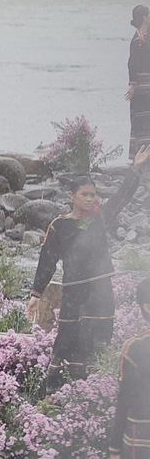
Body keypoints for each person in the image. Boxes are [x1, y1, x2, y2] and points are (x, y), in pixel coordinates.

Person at [29, 147, 149, 388]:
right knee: (68, 338)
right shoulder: (59, 225)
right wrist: (36, 294)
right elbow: (47, 261)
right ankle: (58, 390)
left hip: (101, 292)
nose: (90, 198)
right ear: (72, 195)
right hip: (73, 293)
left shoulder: (100, 218)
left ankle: (93, 390)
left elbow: (122, 198)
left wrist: (134, 168)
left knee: (99, 338)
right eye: (84, 194)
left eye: (93, 194)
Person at [107, 276, 150, 459]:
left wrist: (114, 452)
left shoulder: (134, 348)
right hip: (140, 440)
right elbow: (125, 401)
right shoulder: (135, 349)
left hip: (139, 442)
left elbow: (124, 404)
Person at [129, 7, 150, 159]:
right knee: (142, 119)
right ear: (144, 17)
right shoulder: (137, 40)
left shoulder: (145, 37)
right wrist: (132, 84)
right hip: (143, 86)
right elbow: (132, 63)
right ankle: (142, 154)